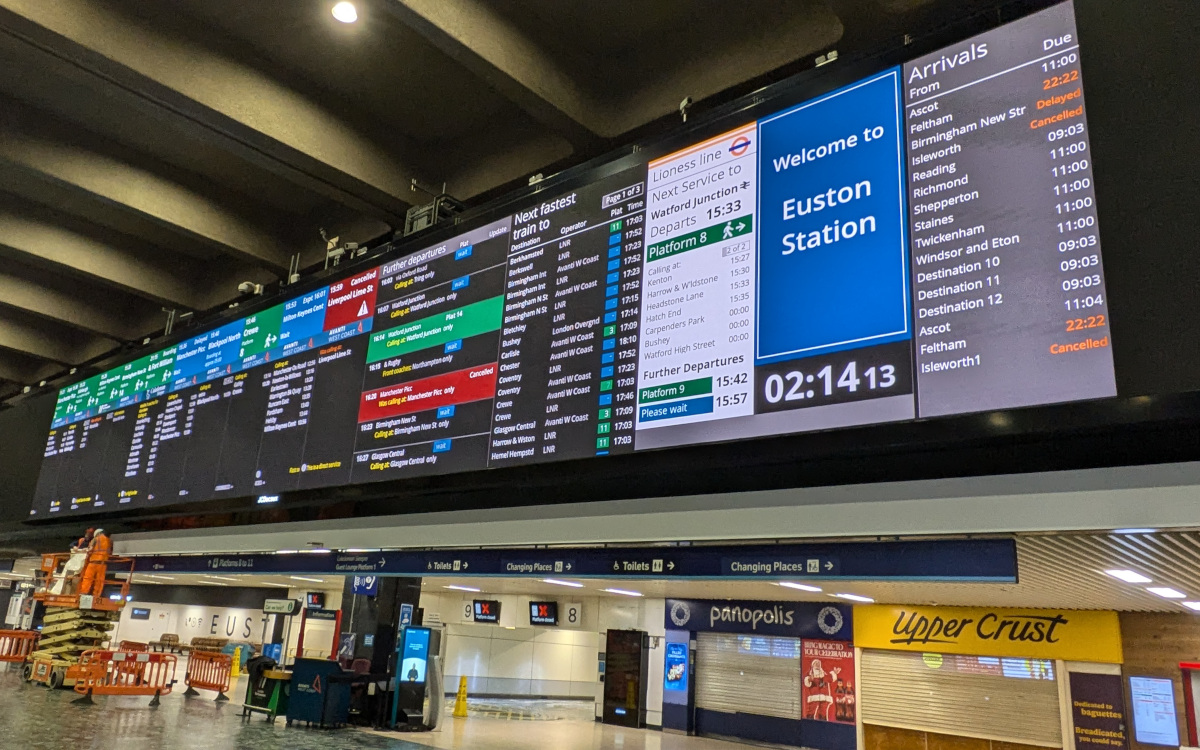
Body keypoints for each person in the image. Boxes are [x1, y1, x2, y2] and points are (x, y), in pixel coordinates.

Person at [79, 528, 111, 599]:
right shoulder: (109, 540)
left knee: (88, 578)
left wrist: (85, 550)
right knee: (100, 581)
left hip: (93, 562)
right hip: (103, 564)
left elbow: (90, 549)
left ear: (97, 533)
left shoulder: (95, 539)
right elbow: (109, 552)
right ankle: (96, 595)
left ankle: (83, 593)